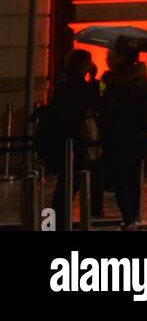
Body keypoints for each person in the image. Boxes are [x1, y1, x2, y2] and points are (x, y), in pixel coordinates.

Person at [98, 37, 147, 229]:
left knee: (122, 182)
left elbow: (109, 112)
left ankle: (129, 218)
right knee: (133, 182)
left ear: (122, 57)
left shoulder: (115, 82)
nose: (108, 57)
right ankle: (132, 218)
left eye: (112, 54)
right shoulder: (141, 79)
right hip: (137, 139)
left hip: (118, 138)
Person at [42, 48, 103, 228]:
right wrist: (92, 80)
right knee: (67, 186)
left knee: (69, 185)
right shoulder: (69, 84)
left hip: (73, 141)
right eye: (87, 63)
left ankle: (57, 223)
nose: (89, 66)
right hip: (72, 142)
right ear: (80, 64)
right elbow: (83, 105)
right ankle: (55, 224)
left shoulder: (68, 82)